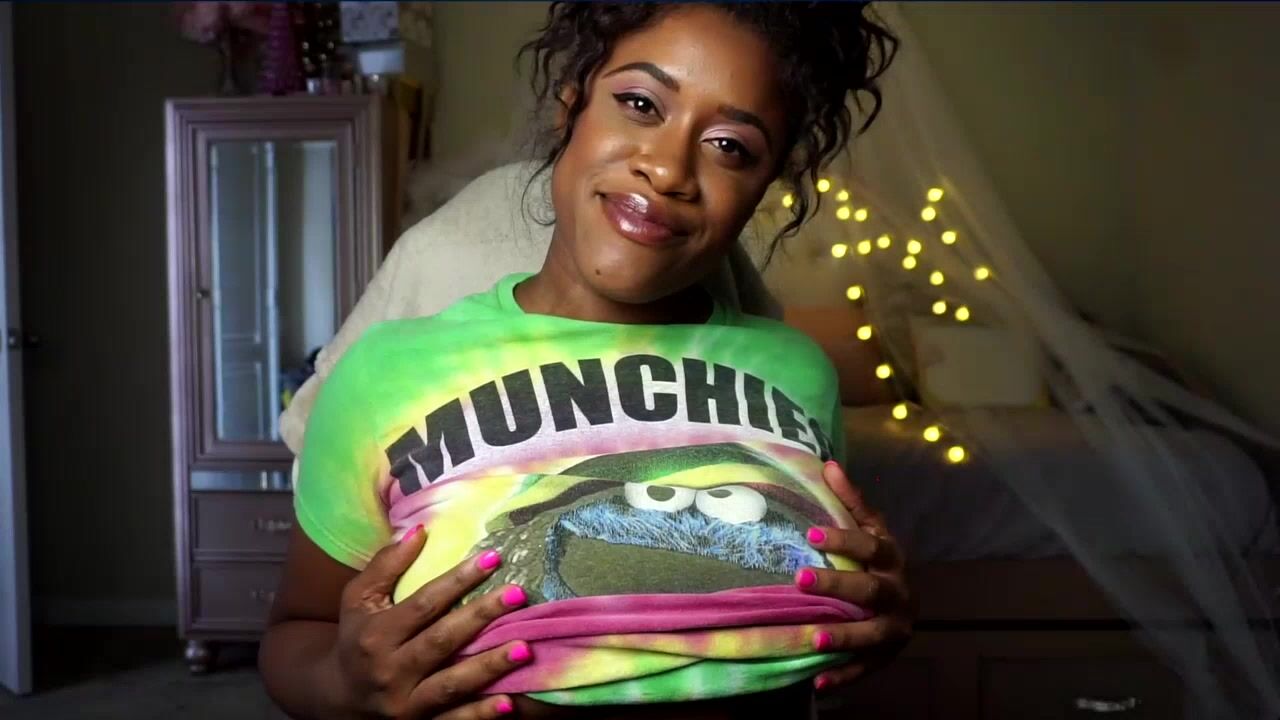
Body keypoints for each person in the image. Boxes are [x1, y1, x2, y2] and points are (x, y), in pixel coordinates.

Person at [260, 3, 911, 718]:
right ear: (572, 106)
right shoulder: (386, 371)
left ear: (764, 184)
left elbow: (824, 611)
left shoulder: (798, 373)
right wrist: (344, 684)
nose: (667, 168)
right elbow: (298, 633)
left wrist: (874, 611)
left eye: (730, 146)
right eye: (640, 104)